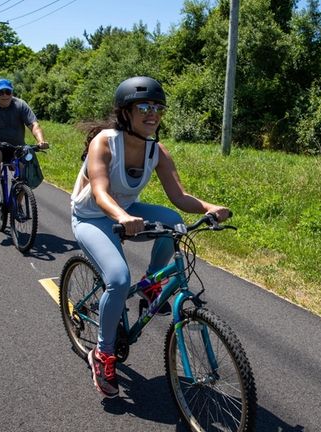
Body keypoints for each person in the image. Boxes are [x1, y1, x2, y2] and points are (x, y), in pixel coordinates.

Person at [70, 76, 231, 397]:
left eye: (158, 108)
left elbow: (180, 197)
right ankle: (102, 355)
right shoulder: (103, 142)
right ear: (125, 112)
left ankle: (151, 287)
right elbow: (100, 192)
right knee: (116, 278)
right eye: (143, 106)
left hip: (126, 214)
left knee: (175, 222)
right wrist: (123, 217)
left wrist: (210, 207)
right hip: (92, 216)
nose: (152, 113)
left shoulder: (156, 150)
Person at [0, 78, 49, 207]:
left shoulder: (20, 105)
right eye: (1, 93)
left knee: (25, 166)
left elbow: (33, 125)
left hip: (16, 147)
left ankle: (17, 204)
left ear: (12, 92)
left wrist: (41, 140)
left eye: (7, 92)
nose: (4, 95)